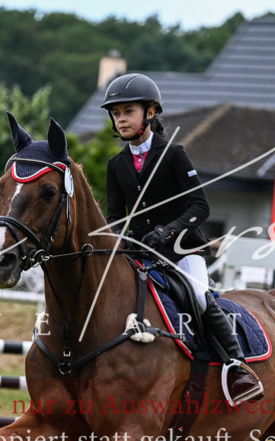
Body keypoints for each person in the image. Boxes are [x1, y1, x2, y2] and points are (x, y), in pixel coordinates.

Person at [102, 73, 263, 405]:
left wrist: (167, 230)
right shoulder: (116, 165)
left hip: (182, 250)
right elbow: (116, 218)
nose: (121, 119)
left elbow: (199, 205)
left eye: (128, 111)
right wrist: (118, 241)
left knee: (200, 298)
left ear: (150, 113)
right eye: (116, 113)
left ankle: (238, 367)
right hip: (142, 253)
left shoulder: (173, 154)